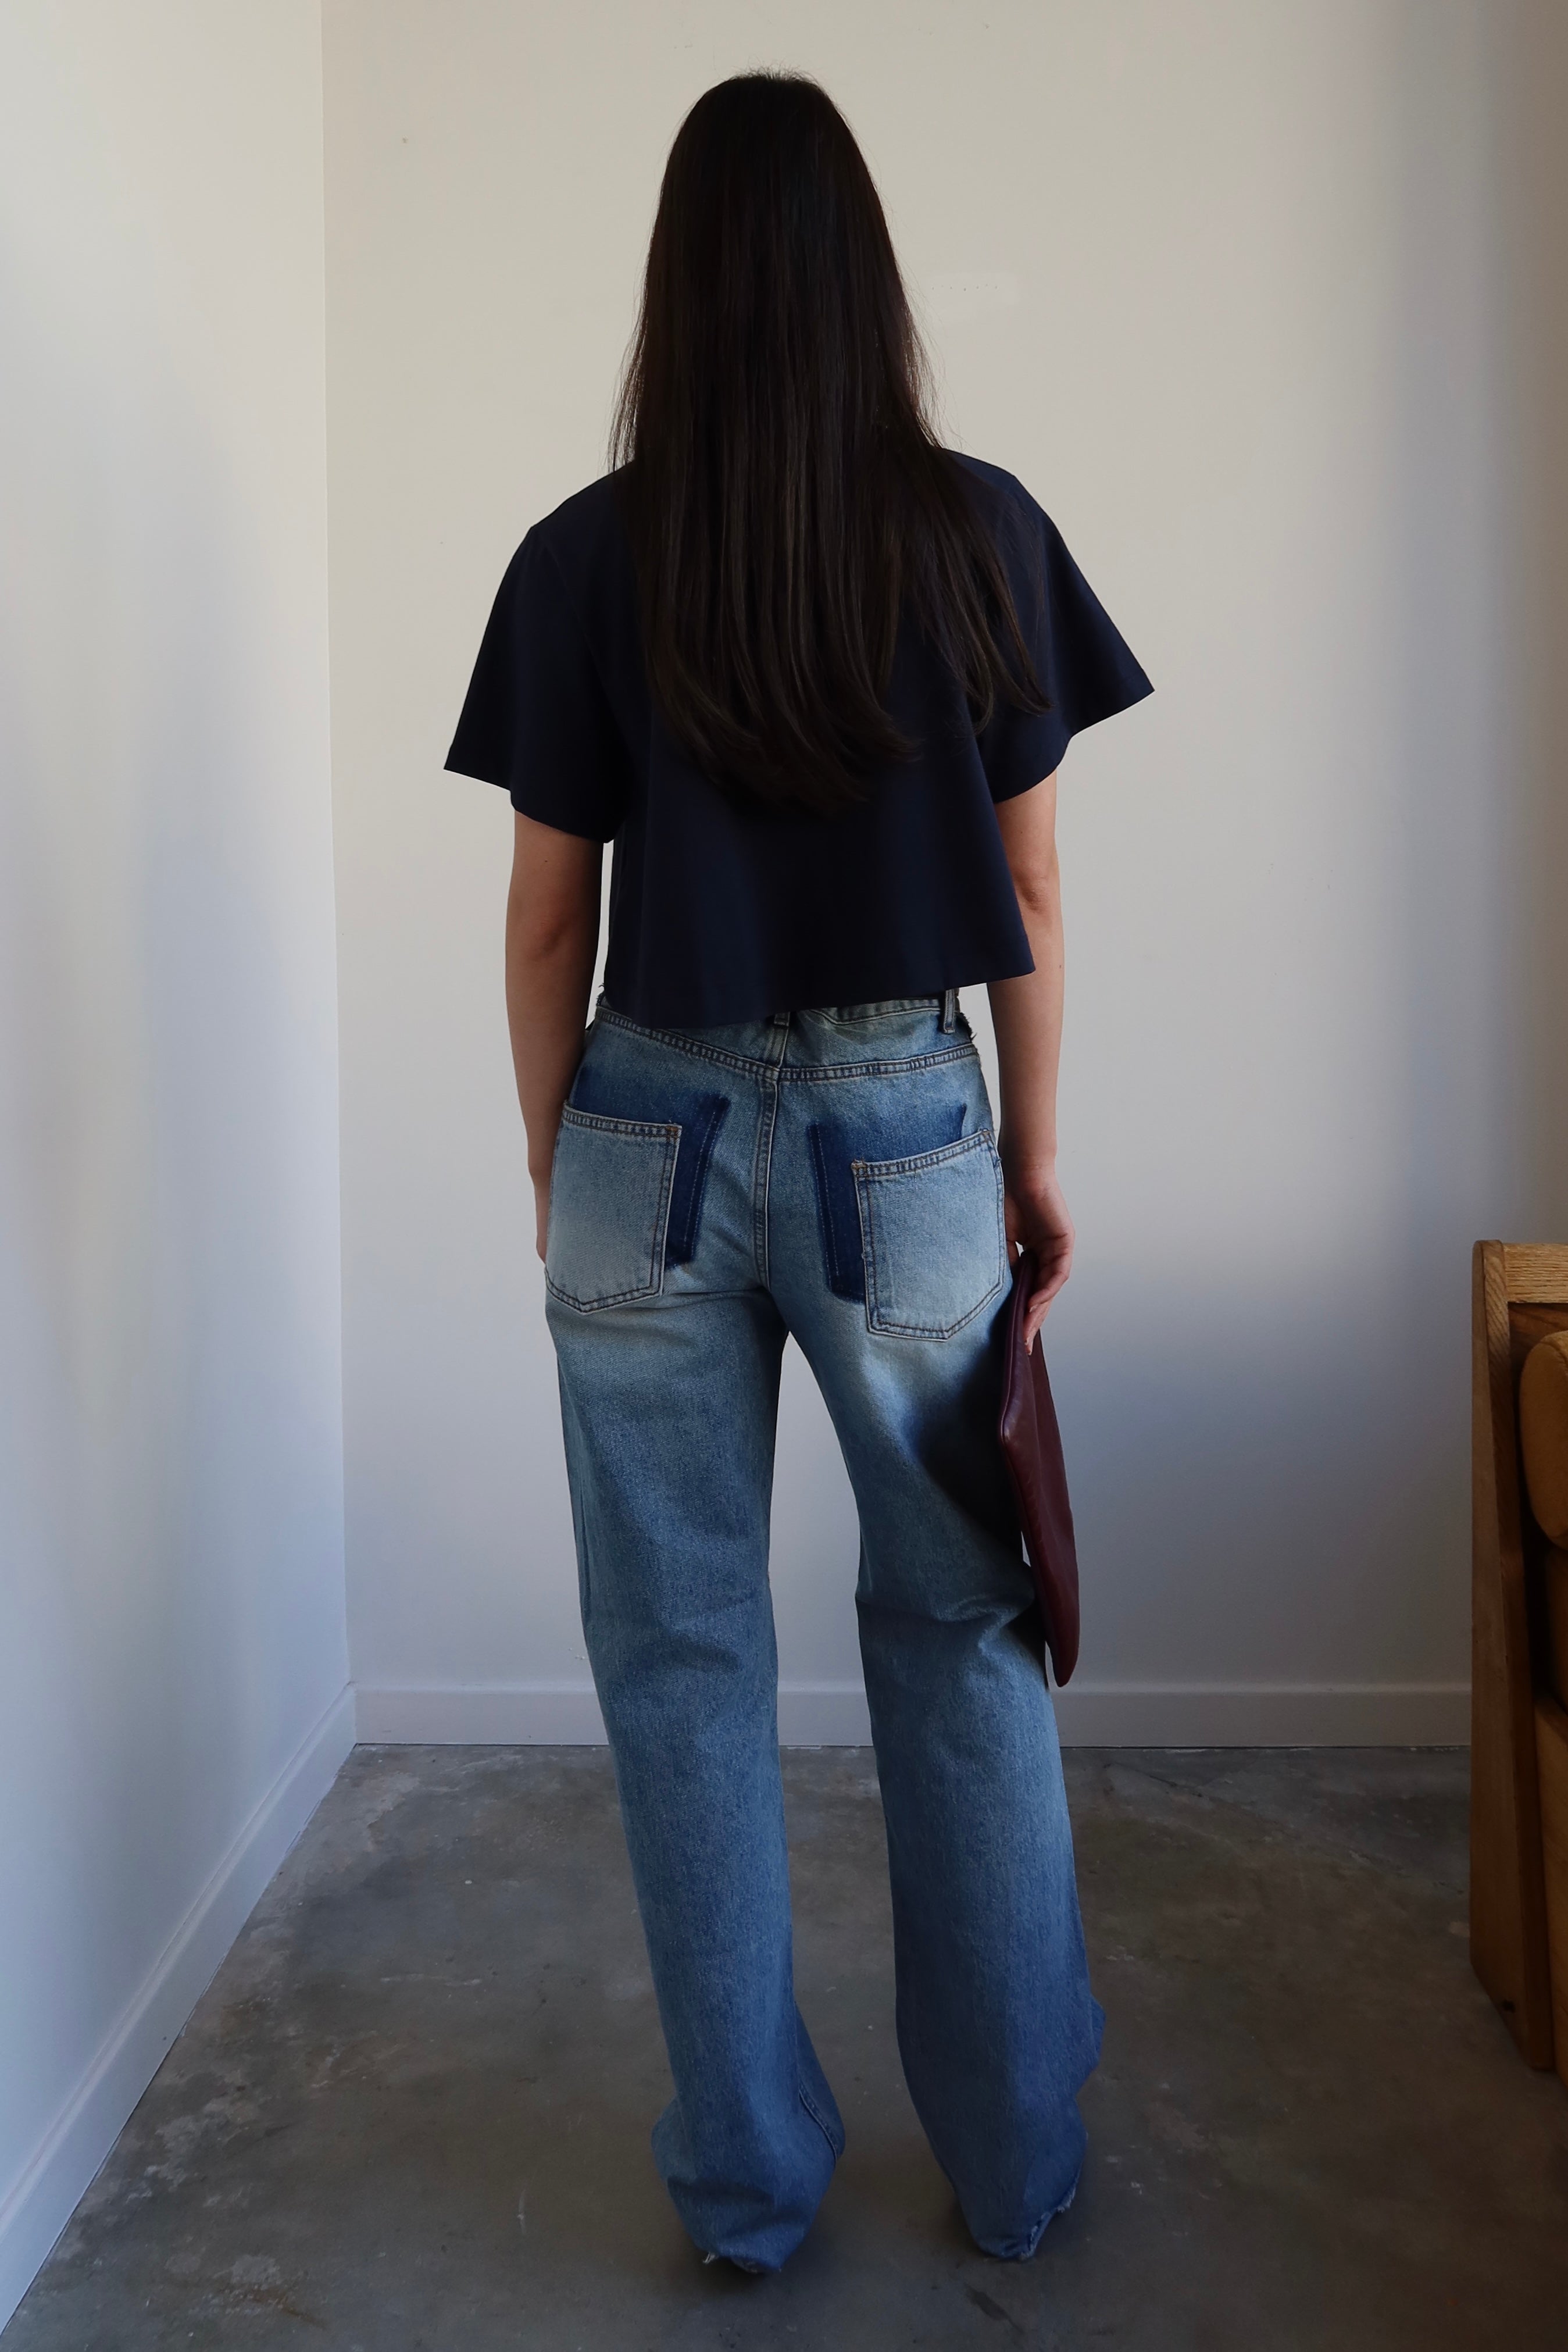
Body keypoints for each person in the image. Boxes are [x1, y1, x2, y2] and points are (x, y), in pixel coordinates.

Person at [445, 70, 1151, 2276]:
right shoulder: (975, 530)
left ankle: (746, 2193)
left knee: (676, 1663)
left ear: (678, 289)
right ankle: (1019, 2159)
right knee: (957, 1642)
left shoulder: (585, 551)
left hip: (643, 1129)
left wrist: (567, 1164)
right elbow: (1024, 875)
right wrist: (1031, 1153)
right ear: (867, 285)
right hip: (901, 1138)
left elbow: (551, 915)